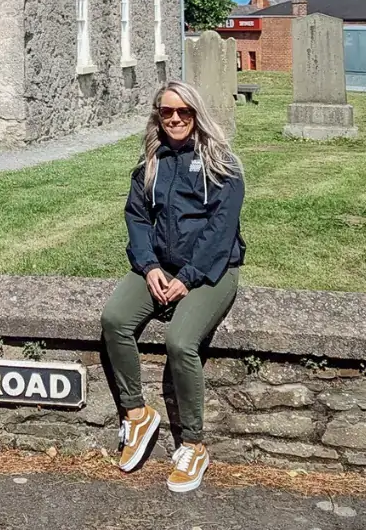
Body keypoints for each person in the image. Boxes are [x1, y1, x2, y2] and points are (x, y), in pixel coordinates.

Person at [101, 80, 245, 494]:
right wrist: (148, 268)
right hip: (157, 267)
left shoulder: (222, 165)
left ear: (196, 115)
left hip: (212, 270)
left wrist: (187, 278)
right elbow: (137, 218)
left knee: (181, 342)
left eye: (184, 112)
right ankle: (136, 413)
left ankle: (194, 445)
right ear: (158, 117)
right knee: (114, 319)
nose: (176, 119)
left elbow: (220, 231)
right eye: (167, 113)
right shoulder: (152, 161)